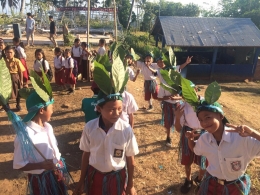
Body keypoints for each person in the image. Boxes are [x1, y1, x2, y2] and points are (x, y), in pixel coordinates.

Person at [186, 100, 260, 195]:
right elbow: (195, 150)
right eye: (200, 120)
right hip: (211, 184)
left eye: (207, 117)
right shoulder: (204, 139)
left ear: (221, 116)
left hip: (235, 187)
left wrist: (253, 134)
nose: (204, 123)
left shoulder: (242, 139)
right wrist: (190, 139)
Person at [74, 90, 139, 195]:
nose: (116, 113)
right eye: (111, 110)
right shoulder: (90, 128)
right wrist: (81, 181)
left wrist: (130, 185)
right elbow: (86, 154)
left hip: (117, 178)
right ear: (99, 108)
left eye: (119, 109)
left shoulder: (126, 129)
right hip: (95, 176)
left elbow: (130, 158)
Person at [13, 91, 69, 195]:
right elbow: (18, 164)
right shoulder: (25, 136)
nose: (53, 111)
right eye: (51, 108)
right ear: (42, 110)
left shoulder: (48, 127)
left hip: (56, 173)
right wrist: (41, 165)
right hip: (42, 180)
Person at [174, 84, 207, 194]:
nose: (188, 95)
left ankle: (200, 179)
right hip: (188, 134)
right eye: (184, 93)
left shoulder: (206, 102)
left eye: (190, 91)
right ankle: (188, 180)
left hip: (203, 135)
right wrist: (178, 117)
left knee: (203, 160)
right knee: (187, 159)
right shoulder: (182, 106)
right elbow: (178, 129)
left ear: (196, 89)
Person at [4, 46, 24, 111]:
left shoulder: (17, 61)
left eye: (11, 52)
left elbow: (20, 71)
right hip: (6, 78)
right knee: (6, 92)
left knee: (17, 91)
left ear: (14, 53)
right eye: (7, 52)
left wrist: (21, 80)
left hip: (15, 77)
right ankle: (7, 105)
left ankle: (18, 105)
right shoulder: (3, 61)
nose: (9, 54)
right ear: (5, 53)